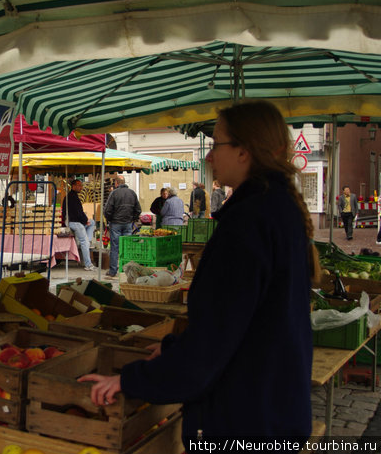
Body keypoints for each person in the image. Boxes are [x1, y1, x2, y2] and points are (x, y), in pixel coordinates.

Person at [79, 100, 317, 452]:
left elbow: (214, 342)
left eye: (217, 143)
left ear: (244, 151)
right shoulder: (278, 209)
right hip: (275, 407)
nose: (208, 156)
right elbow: (242, 322)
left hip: (247, 418)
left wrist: (130, 381)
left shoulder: (247, 223)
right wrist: (175, 349)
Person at [103, 176, 141, 278]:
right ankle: (127, 271)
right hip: (128, 223)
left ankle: (113, 271)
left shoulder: (114, 193)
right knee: (127, 247)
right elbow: (138, 209)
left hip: (116, 223)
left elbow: (107, 210)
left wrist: (109, 219)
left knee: (115, 248)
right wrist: (133, 218)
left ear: (116, 183)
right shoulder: (132, 193)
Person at [61, 179, 96, 271]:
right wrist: (85, 221)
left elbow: (79, 212)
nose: (81, 187)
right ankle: (88, 264)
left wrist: (86, 220)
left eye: (81, 185)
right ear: (73, 186)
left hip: (76, 221)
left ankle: (87, 242)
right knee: (84, 241)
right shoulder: (72, 197)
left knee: (92, 222)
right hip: (73, 222)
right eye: (79, 185)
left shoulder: (73, 196)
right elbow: (78, 213)